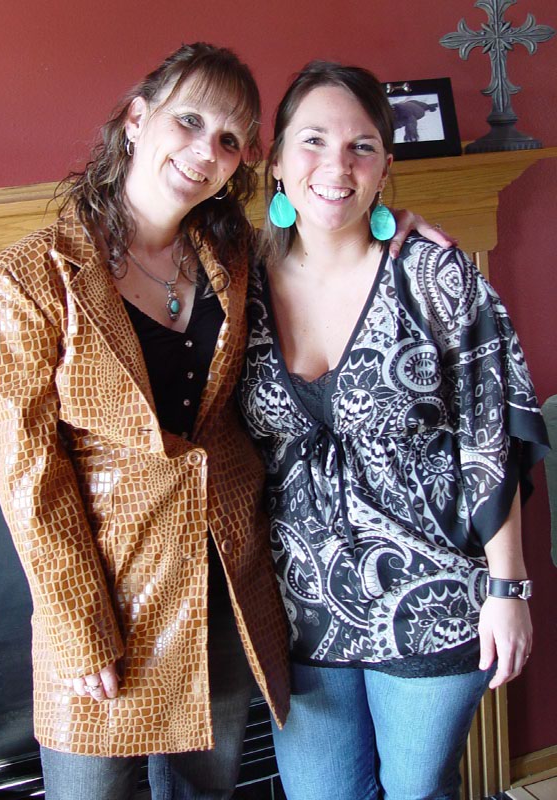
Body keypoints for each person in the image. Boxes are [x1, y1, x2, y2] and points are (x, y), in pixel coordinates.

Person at [0, 42, 455, 800]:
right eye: (190, 121)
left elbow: (324, 240)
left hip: (224, 579)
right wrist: (76, 619)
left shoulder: (232, 256)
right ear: (137, 119)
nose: (207, 151)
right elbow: (27, 472)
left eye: (231, 139)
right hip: (103, 588)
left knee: (207, 790)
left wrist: (394, 226)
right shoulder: (31, 277)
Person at [239, 61, 549, 800]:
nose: (337, 166)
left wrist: (509, 589)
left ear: (385, 169)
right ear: (276, 160)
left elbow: (492, 439)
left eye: (363, 146)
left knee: (418, 792)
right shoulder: (235, 285)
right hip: (296, 609)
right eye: (314, 141)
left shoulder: (436, 276)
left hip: (432, 597)